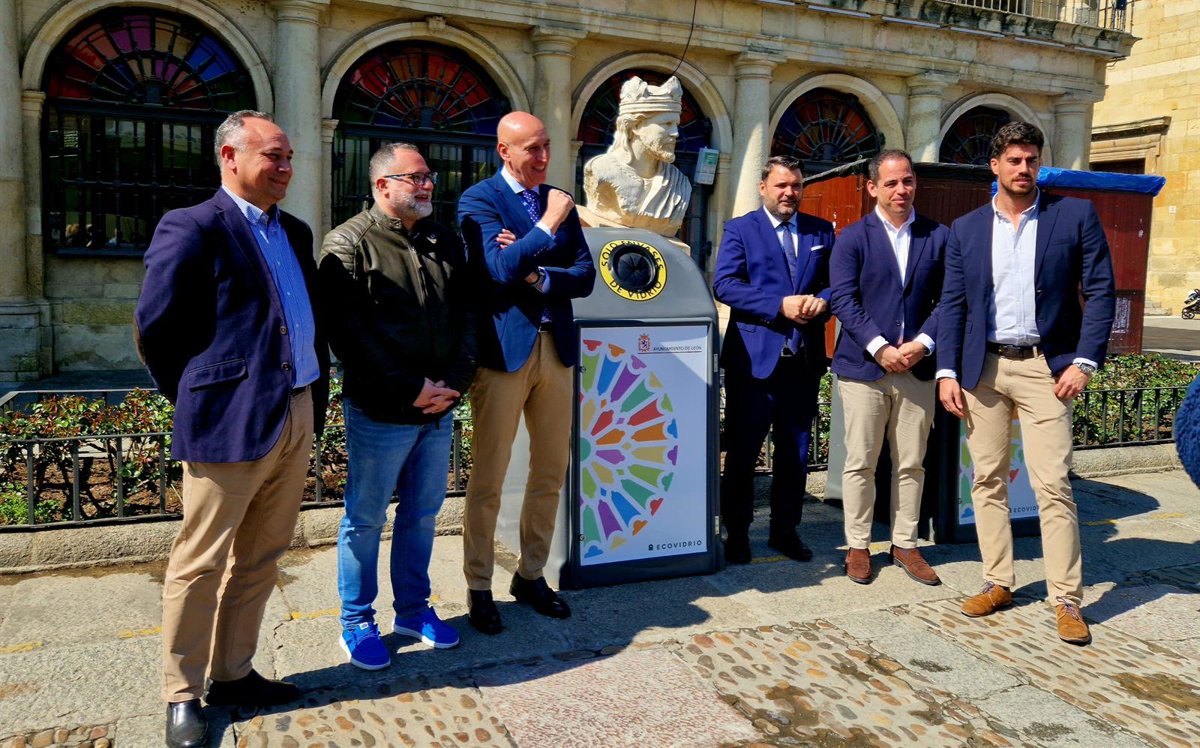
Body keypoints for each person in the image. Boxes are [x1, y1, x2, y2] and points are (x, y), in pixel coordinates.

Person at [134, 110, 329, 748]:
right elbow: (156, 327)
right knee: (200, 561)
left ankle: (234, 672)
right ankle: (181, 693)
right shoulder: (193, 226)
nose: (286, 168)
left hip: (296, 410)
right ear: (229, 155)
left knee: (263, 555)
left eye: (289, 156)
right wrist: (201, 396)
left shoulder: (294, 231)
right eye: (273, 156)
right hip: (229, 418)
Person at [936, 121, 1115, 646]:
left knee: (1053, 485)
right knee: (986, 479)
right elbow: (953, 305)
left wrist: (1084, 362)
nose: (1023, 168)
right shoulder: (966, 228)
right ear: (995, 166)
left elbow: (1101, 291)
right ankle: (998, 581)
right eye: (1014, 160)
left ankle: (1067, 599)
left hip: (1046, 369)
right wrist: (947, 371)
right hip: (985, 370)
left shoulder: (1074, 215)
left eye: (1031, 160)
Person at [319, 143, 477, 669]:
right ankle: (356, 620)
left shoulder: (443, 239)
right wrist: (410, 387)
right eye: (415, 177)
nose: (427, 185)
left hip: (438, 407)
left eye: (429, 176)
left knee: (422, 515)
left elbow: (467, 317)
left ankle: (412, 609)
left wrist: (454, 384)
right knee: (364, 520)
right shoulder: (348, 243)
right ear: (382, 185)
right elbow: (349, 335)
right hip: (381, 411)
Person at [457, 112, 596, 634]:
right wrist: (547, 226)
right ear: (504, 151)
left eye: (546, 146)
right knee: (489, 476)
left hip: (556, 349)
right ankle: (478, 585)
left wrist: (536, 273)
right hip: (504, 353)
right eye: (532, 149)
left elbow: (584, 276)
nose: (543, 157)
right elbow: (495, 270)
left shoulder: (557, 198)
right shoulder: (481, 199)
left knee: (550, 471)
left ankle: (531, 575)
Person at [830, 150, 948, 585]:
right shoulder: (852, 238)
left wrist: (923, 343)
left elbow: (950, 299)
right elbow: (844, 300)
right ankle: (858, 545)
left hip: (917, 368)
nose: (902, 190)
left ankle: (905, 544)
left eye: (908, 181)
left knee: (912, 463)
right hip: (864, 368)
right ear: (872, 187)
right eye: (892, 183)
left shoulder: (938, 236)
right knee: (861, 462)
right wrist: (880, 347)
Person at [712, 155, 834, 565]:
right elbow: (725, 284)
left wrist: (822, 302)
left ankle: (785, 530)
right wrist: (779, 305)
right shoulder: (741, 229)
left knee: (795, 454)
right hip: (753, 362)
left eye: (796, 185)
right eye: (781, 185)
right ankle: (738, 533)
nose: (789, 193)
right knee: (743, 453)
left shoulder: (821, 230)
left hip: (802, 361)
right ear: (763, 187)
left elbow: (837, 284)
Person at [580, 75, 692, 237]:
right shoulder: (602, 170)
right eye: (666, 124)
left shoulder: (679, 183)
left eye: (676, 125)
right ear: (634, 126)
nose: (675, 133)